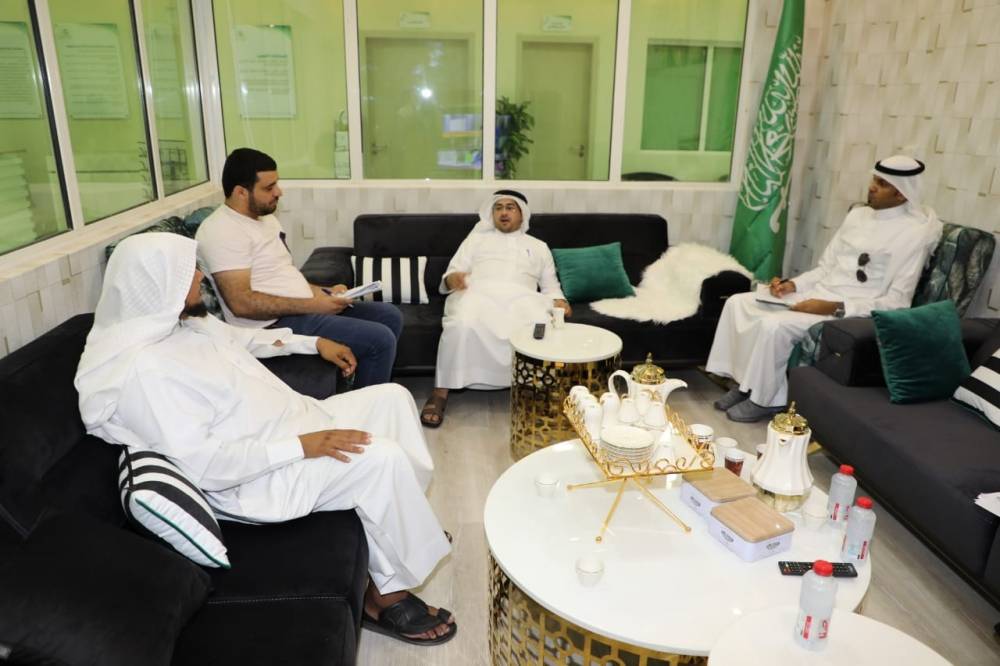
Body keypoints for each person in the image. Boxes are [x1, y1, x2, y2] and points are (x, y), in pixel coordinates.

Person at [74, 233, 456, 646]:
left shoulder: (183, 324)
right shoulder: (146, 371)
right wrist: (301, 447)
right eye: (189, 271)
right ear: (158, 284)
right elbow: (205, 464)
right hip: (258, 476)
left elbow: (244, 340)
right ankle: (384, 597)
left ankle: (403, 523)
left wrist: (313, 342)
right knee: (380, 458)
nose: (201, 276)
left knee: (392, 398)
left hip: (292, 423)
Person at [707, 155, 943, 422]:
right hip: (818, 294)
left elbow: (897, 303)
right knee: (738, 302)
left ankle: (765, 400)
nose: (872, 187)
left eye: (882, 184)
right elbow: (825, 267)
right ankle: (744, 385)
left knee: (773, 326)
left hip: (850, 312)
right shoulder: (858, 216)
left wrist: (833, 307)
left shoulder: (914, 234)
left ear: (901, 193)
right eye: (874, 180)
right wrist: (792, 285)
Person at [196, 148, 403, 389]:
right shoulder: (222, 231)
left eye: (276, 184)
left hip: (298, 310)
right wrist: (314, 304)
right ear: (241, 192)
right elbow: (241, 304)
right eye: (269, 187)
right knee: (379, 339)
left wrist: (323, 292)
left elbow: (284, 276)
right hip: (270, 324)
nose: (278, 192)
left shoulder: (266, 219)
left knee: (389, 315)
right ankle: (366, 408)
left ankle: (363, 385)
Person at [420, 190, 571, 427]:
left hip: (523, 300)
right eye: (498, 208)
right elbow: (451, 274)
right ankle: (440, 393)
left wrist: (560, 301)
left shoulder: (539, 246)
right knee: (461, 324)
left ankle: (541, 392)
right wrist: (453, 279)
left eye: (510, 207)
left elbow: (551, 287)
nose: (503, 212)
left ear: (522, 214)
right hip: (478, 295)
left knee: (540, 326)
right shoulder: (475, 240)